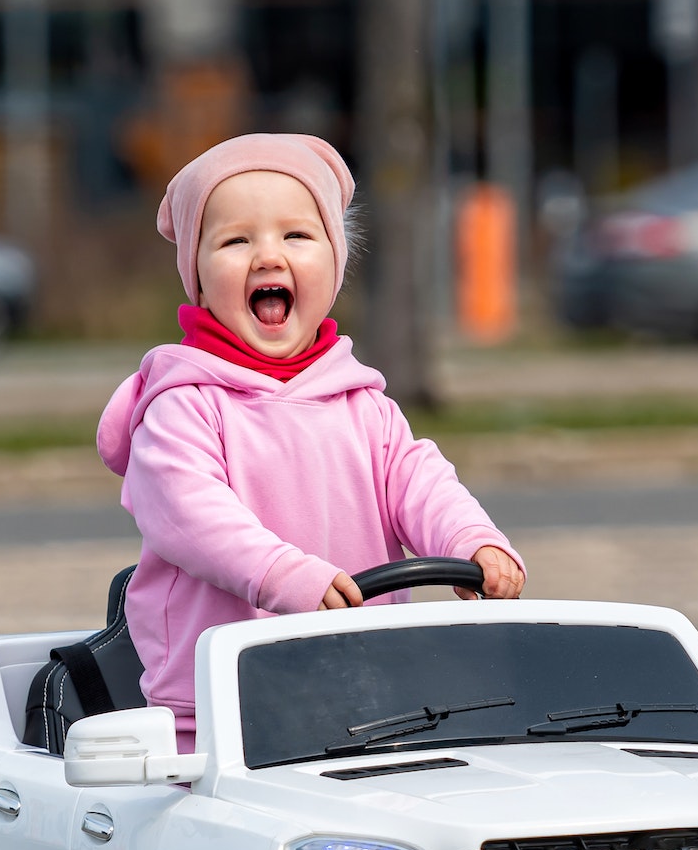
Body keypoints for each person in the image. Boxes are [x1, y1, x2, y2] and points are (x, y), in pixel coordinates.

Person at [95, 132, 525, 746]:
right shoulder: (184, 405)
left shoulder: (362, 404)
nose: (268, 257)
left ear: (336, 260)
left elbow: (420, 480)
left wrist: (472, 541)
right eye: (236, 240)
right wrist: (284, 574)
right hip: (220, 706)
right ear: (195, 271)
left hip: (362, 688)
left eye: (297, 235)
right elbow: (191, 514)